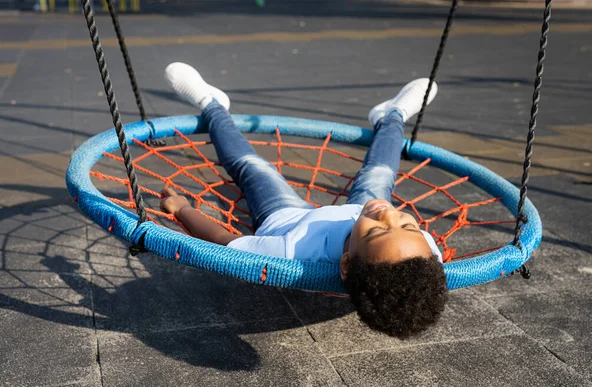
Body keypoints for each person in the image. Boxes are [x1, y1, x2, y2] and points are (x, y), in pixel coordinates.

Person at [160, 62, 448, 338]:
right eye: (409, 226)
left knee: (250, 165)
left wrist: (183, 209)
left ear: (345, 265)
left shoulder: (290, 251)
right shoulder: (424, 253)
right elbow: (407, 247)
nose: (389, 215)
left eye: (377, 232)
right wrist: (374, 230)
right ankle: (392, 115)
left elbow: (225, 240)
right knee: (381, 172)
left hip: (286, 218)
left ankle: (212, 105)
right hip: (357, 213)